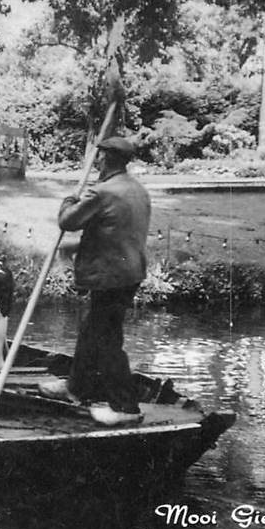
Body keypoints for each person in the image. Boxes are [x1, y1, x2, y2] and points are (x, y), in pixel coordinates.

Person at [38, 136, 151, 426]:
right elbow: (116, 233)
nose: (95, 161)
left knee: (106, 340)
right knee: (92, 330)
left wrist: (69, 199)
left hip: (111, 277)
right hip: (128, 273)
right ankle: (76, 388)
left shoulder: (103, 193)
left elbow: (68, 221)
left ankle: (126, 408)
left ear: (107, 159)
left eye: (98, 156)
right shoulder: (137, 189)